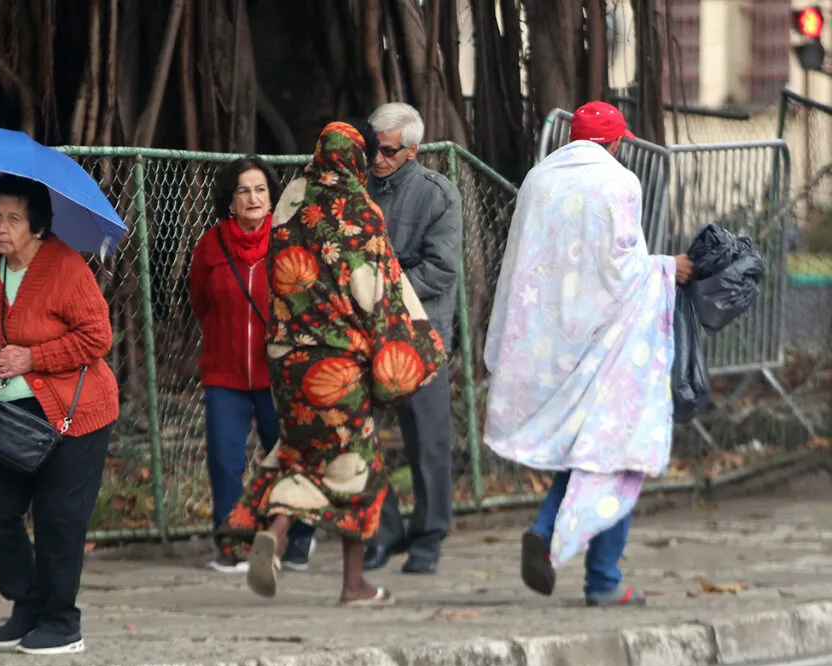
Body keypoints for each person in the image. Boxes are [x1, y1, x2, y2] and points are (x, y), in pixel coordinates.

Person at [216, 120, 447, 605]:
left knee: (303, 451)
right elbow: (376, 290)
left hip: (285, 359)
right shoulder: (359, 212)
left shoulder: (290, 200)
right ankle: (354, 584)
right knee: (354, 469)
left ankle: (274, 534)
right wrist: (405, 345)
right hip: (337, 362)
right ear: (357, 159)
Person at [482, 101, 694, 607]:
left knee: (584, 449)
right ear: (617, 142)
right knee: (616, 453)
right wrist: (671, 268)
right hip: (608, 343)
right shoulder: (620, 182)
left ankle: (547, 533)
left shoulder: (538, 178)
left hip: (550, 345)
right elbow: (623, 268)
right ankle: (602, 577)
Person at [0, 173, 118, 653]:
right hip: (14, 410)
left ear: (38, 226)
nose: (0, 227)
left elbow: (97, 338)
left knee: (58, 517)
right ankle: (28, 603)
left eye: (14, 219)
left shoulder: (65, 267)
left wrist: (32, 357)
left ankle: (63, 622)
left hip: (75, 412)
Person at [189, 156, 316, 573]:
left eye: (260, 189)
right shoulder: (211, 245)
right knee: (226, 460)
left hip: (276, 376)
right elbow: (200, 301)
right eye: (243, 189)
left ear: (272, 196)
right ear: (230, 198)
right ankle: (233, 545)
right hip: (224, 375)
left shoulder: (287, 241)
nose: (253, 197)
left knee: (284, 457)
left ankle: (296, 538)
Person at [363, 102, 462, 574]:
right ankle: (382, 533)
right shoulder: (356, 191)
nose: (376, 158)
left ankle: (428, 538)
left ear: (412, 151)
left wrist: (381, 285)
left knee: (428, 444)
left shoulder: (437, 194)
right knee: (361, 437)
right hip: (365, 333)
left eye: (386, 150)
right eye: (372, 147)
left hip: (420, 336)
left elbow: (442, 271)